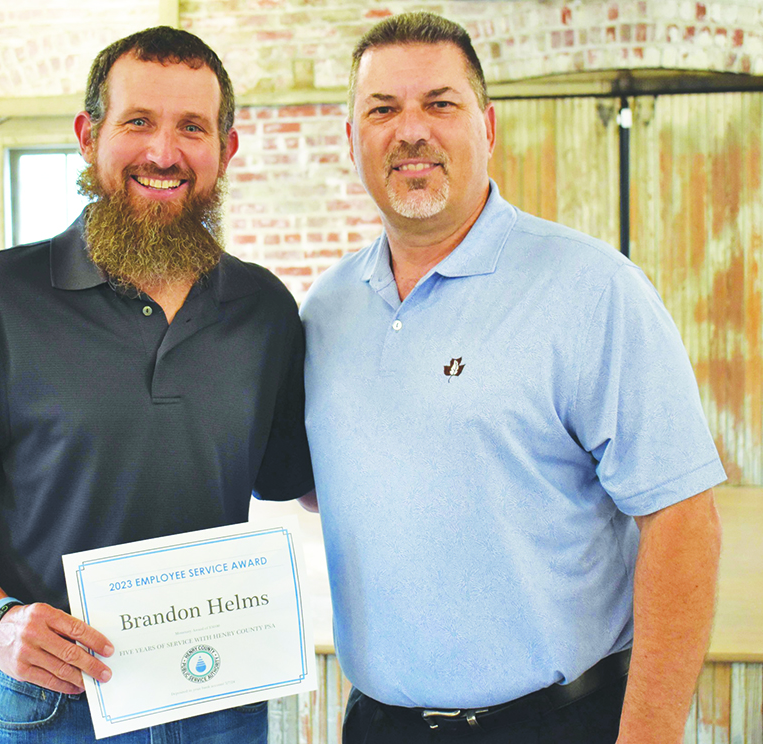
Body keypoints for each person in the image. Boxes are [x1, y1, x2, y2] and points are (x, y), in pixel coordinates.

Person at [299, 12, 724, 744]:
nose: (411, 131)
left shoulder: (592, 289)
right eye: (382, 109)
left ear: (487, 127)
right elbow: (334, 481)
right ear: (351, 139)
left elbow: (682, 522)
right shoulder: (326, 308)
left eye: (440, 103)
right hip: (377, 725)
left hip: (558, 724)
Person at [0, 26, 313, 744]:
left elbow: (301, 481)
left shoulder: (264, 310)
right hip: (54, 707)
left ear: (226, 150)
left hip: (219, 699)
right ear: (89, 135)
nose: (163, 152)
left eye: (192, 128)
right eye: (138, 121)